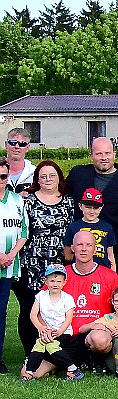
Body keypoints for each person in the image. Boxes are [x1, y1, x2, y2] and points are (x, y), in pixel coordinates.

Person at [15, 160, 75, 356]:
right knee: (31, 308)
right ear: (37, 180)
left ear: (59, 178)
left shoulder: (69, 201)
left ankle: (56, 351)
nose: (48, 179)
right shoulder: (28, 201)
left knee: (57, 307)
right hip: (33, 262)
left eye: (52, 176)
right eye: (43, 176)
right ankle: (30, 353)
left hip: (59, 261)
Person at [66, 138, 118, 252]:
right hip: (80, 249)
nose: (104, 158)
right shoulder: (78, 175)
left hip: (113, 250)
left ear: (114, 154)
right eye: (99, 154)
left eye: (107, 153)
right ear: (91, 156)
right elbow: (59, 195)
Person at [66, 230, 118, 370]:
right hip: (66, 333)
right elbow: (41, 305)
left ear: (95, 249)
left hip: (97, 331)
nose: (84, 249)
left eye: (88, 245)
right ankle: (79, 361)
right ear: (73, 248)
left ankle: (95, 360)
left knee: (100, 340)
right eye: (79, 245)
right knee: (33, 372)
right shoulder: (62, 275)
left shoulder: (109, 276)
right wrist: (44, 329)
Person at [22, 264, 81, 381]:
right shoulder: (40, 296)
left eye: (59, 281)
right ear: (46, 281)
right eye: (52, 281)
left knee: (48, 344)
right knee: (41, 343)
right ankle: (29, 372)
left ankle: (73, 369)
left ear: (64, 282)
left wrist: (59, 332)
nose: (55, 284)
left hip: (63, 332)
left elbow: (69, 318)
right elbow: (33, 315)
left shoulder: (67, 298)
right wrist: (41, 328)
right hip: (46, 331)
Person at [0, 157, 29, 372]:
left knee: (2, 313)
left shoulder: (17, 201)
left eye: (2, 176)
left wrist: (10, 255)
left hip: (9, 265)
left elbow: (24, 232)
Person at [63, 188, 116, 269]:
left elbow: (110, 255)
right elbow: (67, 255)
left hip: (103, 270)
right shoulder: (74, 227)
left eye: (95, 208)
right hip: (81, 270)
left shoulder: (107, 227)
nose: (92, 211)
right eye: (88, 207)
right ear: (80, 206)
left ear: (101, 208)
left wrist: (113, 272)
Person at [5, 127, 35, 195]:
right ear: (6, 145)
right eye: (12, 143)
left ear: (27, 148)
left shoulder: (35, 173)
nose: (17, 147)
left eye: (22, 144)